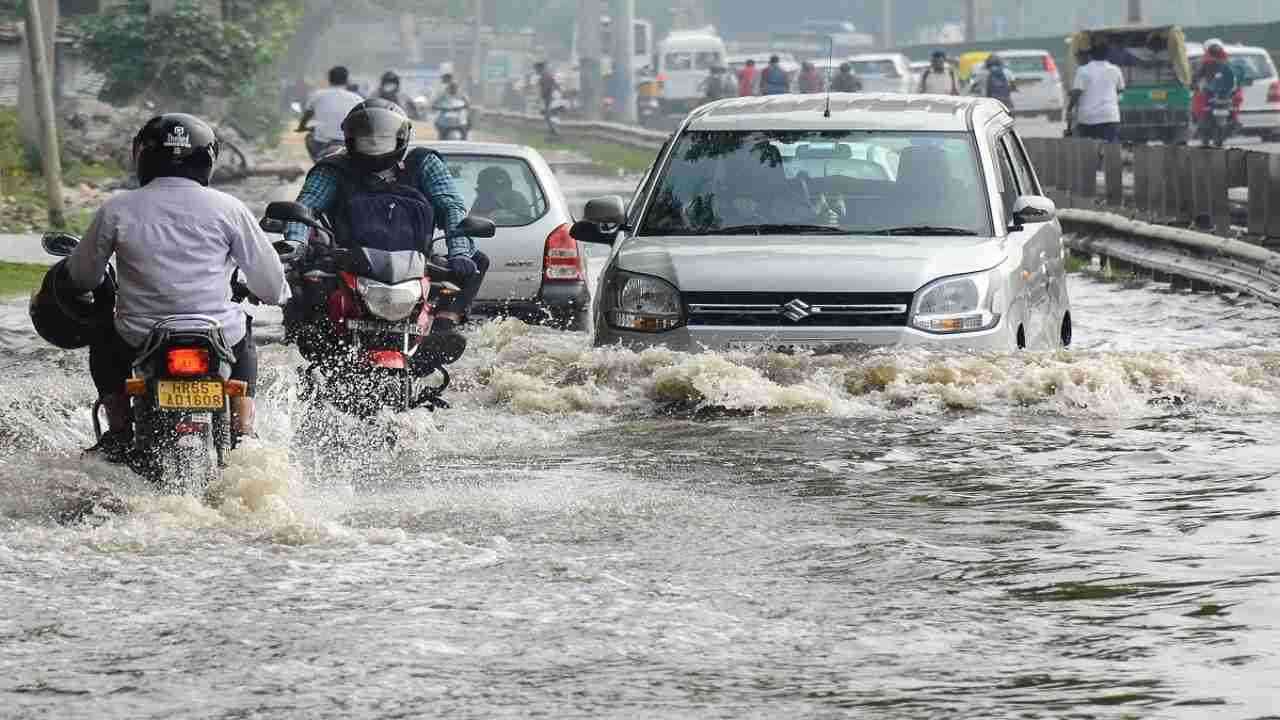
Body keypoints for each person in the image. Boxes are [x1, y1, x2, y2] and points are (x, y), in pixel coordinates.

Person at [48, 114, 289, 460]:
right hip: (217, 334)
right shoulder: (230, 209)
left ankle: (117, 430)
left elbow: (84, 277)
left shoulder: (118, 208)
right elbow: (269, 284)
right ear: (208, 158)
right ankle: (243, 430)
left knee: (103, 333)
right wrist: (275, 294)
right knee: (243, 329)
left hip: (139, 336)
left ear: (143, 155)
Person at [284, 99, 488, 338]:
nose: (373, 144)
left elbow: (452, 206)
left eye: (381, 139)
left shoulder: (424, 163)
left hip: (415, 265)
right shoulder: (333, 168)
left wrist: (460, 251)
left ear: (400, 138)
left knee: (477, 262)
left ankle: (446, 320)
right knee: (302, 278)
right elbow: (306, 206)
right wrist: (295, 245)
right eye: (366, 139)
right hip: (348, 262)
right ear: (351, 139)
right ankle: (310, 332)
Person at [297, 66, 365, 160]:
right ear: (347, 80)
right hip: (346, 142)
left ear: (329, 79)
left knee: (309, 137)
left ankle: (318, 162)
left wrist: (302, 127)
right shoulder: (357, 98)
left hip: (322, 143)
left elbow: (306, 116)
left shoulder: (317, 95)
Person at [1068, 43, 1126, 142]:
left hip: (1088, 118)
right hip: (1110, 116)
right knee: (1111, 148)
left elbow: (1077, 92)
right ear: (1108, 55)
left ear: (1091, 55)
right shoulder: (1115, 69)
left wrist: (1069, 107)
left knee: (1089, 150)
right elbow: (1121, 89)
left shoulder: (1083, 70)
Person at [534, 61, 562, 137]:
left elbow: (546, 90)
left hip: (551, 99)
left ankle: (555, 133)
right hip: (551, 99)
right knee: (548, 117)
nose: (536, 71)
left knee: (549, 117)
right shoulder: (546, 76)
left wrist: (539, 99)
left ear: (540, 69)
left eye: (536, 69)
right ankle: (553, 133)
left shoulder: (545, 77)